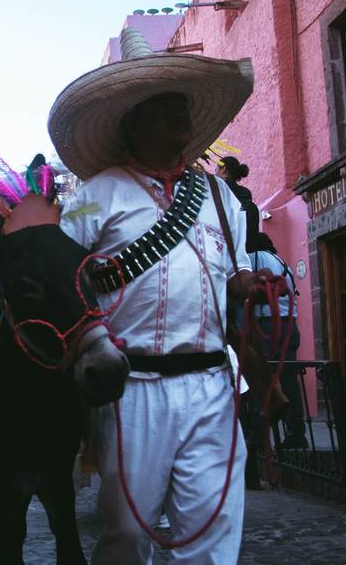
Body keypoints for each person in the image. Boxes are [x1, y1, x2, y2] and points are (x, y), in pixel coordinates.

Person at [51, 28, 282, 563]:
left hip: (212, 384)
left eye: (184, 105)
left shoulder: (221, 196)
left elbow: (231, 275)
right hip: (132, 389)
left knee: (211, 532)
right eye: (166, 106)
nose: (182, 116)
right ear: (133, 118)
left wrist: (246, 283)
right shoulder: (92, 197)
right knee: (127, 534)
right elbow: (65, 275)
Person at [248, 231, 306, 449]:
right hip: (290, 324)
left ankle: (260, 435)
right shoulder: (283, 264)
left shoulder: (256, 257)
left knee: (260, 377)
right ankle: (297, 431)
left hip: (269, 325)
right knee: (289, 379)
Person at [216, 155, 260, 250]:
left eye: (216, 169)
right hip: (248, 256)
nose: (215, 173)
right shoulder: (248, 201)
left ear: (223, 169)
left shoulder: (216, 194)